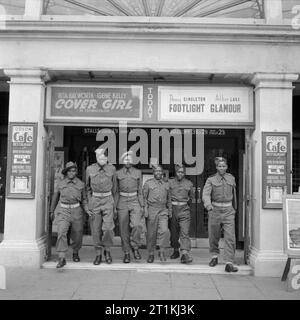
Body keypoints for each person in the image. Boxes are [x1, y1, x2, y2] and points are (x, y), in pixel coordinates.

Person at [202, 157, 238, 272]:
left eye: (223, 166)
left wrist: (234, 208)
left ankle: (229, 262)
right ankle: (214, 256)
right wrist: (208, 206)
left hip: (228, 211)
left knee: (230, 237)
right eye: (219, 166)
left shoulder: (231, 178)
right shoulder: (211, 179)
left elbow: (235, 194)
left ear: (226, 167)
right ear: (216, 167)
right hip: (215, 210)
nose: (221, 168)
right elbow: (206, 194)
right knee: (214, 236)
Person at [50, 161, 88, 269]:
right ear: (66, 172)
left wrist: (87, 209)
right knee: (61, 232)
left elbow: (84, 199)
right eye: (70, 171)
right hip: (64, 210)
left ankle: (75, 251)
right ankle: (61, 258)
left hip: (77, 210)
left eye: (74, 170)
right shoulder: (60, 184)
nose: (72, 173)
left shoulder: (81, 184)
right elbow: (55, 198)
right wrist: (51, 211)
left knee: (77, 235)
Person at [86, 148, 117, 265]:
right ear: (96, 157)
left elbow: (115, 188)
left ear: (108, 157)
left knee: (108, 228)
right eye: (100, 157)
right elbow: (87, 187)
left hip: (108, 199)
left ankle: (107, 251)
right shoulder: (89, 169)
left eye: (105, 157)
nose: (102, 159)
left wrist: (113, 205)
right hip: (95, 200)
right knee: (96, 229)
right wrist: (90, 202)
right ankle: (98, 253)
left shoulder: (112, 168)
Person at [116, 151, 144, 263]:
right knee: (123, 229)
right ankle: (127, 252)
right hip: (122, 200)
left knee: (137, 226)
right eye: (126, 159)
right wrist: (114, 206)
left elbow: (140, 190)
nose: (128, 161)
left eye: (130, 159)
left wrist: (142, 205)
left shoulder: (138, 172)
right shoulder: (117, 173)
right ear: (123, 161)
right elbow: (116, 190)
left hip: (134, 200)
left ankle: (135, 247)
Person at [143, 165, 172, 263]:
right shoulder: (148, 183)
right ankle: (151, 253)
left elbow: (169, 199)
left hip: (163, 209)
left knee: (164, 230)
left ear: (162, 172)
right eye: (157, 171)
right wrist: (145, 210)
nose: (159, 173)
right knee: (151, 233)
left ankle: (162, 251)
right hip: (152, 209)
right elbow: (144, 198)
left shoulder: (166, 184)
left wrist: (170, 211)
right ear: (153, 172)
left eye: (160, 171)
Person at [169, 164, 194, 264]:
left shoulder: (189, 183)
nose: (180, 174)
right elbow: (167, 196)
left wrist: (185, 206)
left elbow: (191, 197)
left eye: (182, 172)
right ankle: (176, 250)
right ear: (176, 172)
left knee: (185, 232)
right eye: (179, 172)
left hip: (184, 209)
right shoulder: (170, 182)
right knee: (174, 233)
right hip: (173, 209)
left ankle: (184, 253)